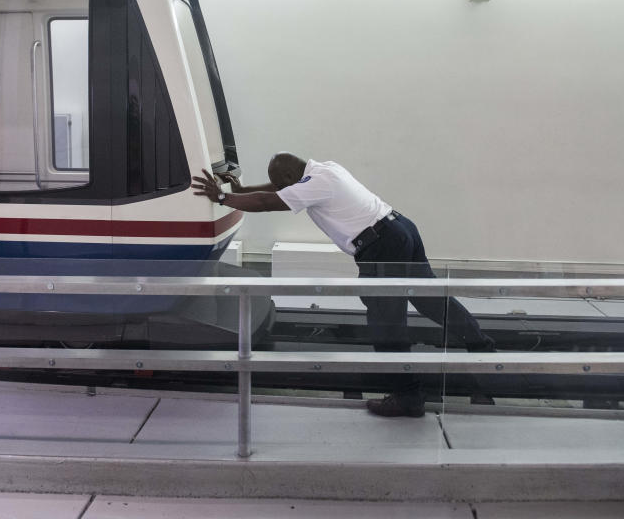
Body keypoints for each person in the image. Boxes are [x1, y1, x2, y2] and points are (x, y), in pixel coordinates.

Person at [191, 153, 495, 417]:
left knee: (386, 321)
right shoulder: (324, 169)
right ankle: (482, 348)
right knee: (430, 300)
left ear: (288, 175)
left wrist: (222, 197)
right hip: (400, 229)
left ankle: (408, 397)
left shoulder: (318, 184)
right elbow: (277, 189)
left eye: (283, 182)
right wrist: (241, 189)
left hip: (382, 246)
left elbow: (268, 201)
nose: (283, 188)